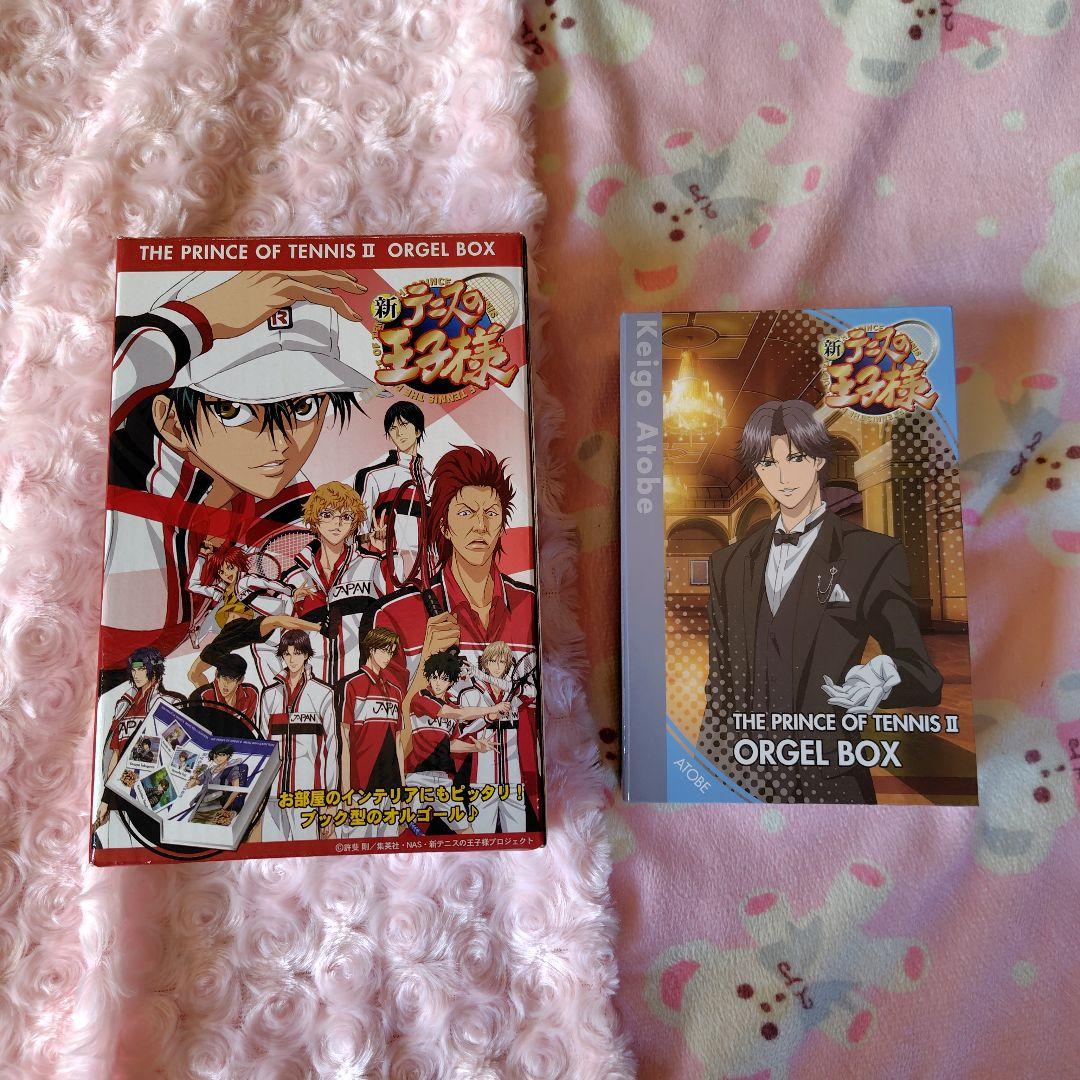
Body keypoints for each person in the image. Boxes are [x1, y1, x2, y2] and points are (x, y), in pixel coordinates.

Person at [102, 268, 374, 687]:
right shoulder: (128, 477)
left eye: (303, 407)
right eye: (233, 410)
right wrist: (196, 321)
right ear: (171, 421)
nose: (280, 444)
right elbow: (69, 392)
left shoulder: (281, 497)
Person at [695, 398, 943, 804]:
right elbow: (720, 684)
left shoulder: (870, 554)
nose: (782, 477)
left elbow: (923, 674)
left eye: (795, 459)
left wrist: (884, 676)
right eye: (768, 463)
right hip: (740, 774)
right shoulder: (728, 563)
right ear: (758, 469)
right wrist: (707, 773)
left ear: (818, 459)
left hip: (830, 775)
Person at [371, 446, 542, 819]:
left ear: (502, 523)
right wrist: (427, 662)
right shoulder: (398, 616)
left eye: (491, 513)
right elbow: (390, 745)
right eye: (465, 513)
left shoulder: (534, 608)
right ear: (444, 525)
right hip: (437, 810)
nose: (480, 526)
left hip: (528, 802)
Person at [280, 482, 398, 685]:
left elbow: (396, 606)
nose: (337, 523)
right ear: (314, 519)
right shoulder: (294, 576)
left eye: (346, 517)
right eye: (327, 514)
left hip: (359, 684)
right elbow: (281, 632)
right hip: (310, 686)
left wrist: (387, 554)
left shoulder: (370, 564)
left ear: (353, 524)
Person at [186, 540, 320, 687]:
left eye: (230, 568)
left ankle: (320, 629)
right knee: (193, 674)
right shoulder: (221, 592)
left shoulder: (245, 581)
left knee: (278, 625)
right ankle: (209, 699)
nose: (226, 574)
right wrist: (201, 557)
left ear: (238, 565)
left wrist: (292, 591)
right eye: (221, 572)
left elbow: (268, 583)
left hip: (244, 629)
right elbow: (193, 586)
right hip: (226, 638)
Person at [399, 650, 504, 835]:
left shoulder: (450, 706)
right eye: (435, 677)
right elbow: (457, 713)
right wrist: (492, 708)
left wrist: (475, 747)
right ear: (429, 676)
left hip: (443, 780)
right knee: (400, 826)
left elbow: (451, 744)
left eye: (444, 679)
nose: (438, 683)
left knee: (466, 831)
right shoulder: (421, 697)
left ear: (451, 681)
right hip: (417, 777)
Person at [93, 648, 184, 841]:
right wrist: (105, 799)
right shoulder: (123, 706)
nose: (136, 674)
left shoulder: (169, 703)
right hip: (121, 792)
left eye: (142, 669)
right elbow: (116, 755)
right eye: (134, 670)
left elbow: (178, 752)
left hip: (153, 794)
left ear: (154, 670)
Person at [256, 630, 337, 841]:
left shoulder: (323, 693)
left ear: (307, 654)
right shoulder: (269, 695)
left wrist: (330, 800)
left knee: (307, 853)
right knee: (271, 854)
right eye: (287, 654)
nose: (292, 660)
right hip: (272, 794)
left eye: (297, 653)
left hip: (307, 794)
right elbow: (262, 748)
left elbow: (331, 749)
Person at [457, 641, 538, 833]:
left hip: (513, 782)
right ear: (485, 662)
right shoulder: (470, 695)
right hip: (482, 782)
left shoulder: (516, 695)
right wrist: (488, 717)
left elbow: (532, 692)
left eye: (502, 662)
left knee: (517, 839)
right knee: (480, 840)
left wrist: (481, 675)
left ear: (508, 665)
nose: (497, 666)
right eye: (492, 661)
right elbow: (463, 732)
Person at [337, 627, 406, 838]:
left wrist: (403, 792)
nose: (387, 657)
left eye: (391, 652)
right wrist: (346, 793)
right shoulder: (350, 685)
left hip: (391, 788)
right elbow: (343, 742)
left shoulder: (395, 691)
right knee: (356, 850)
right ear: (371, 649)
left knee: (389, 851)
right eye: (384, 651)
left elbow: (398, 743)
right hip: (361, 786)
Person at [353, 401, 432, 582]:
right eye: (393, 428)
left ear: (418, 430)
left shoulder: (432, 480)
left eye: (404, 425)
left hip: (429, 570)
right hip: (388, 569)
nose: (399, 433)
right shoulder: (372, 476)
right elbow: (358, 534)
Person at [189, 744, 248, 825]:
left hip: (218, 806)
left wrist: (224, 808)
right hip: (201, 806)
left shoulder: (232, 769)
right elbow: (191, 785)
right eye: (215, 756)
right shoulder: (210, 770)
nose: (218, 758)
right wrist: (195, 775)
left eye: (221, 755)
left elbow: (236, 790)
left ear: (228, 755)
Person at [189, 652, 259, 719]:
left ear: (240, 680)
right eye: (224, 677)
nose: (226, 684)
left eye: (231, 679)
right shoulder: (202, 697)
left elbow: (247, 726)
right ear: (217, 675)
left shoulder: (250, 693)